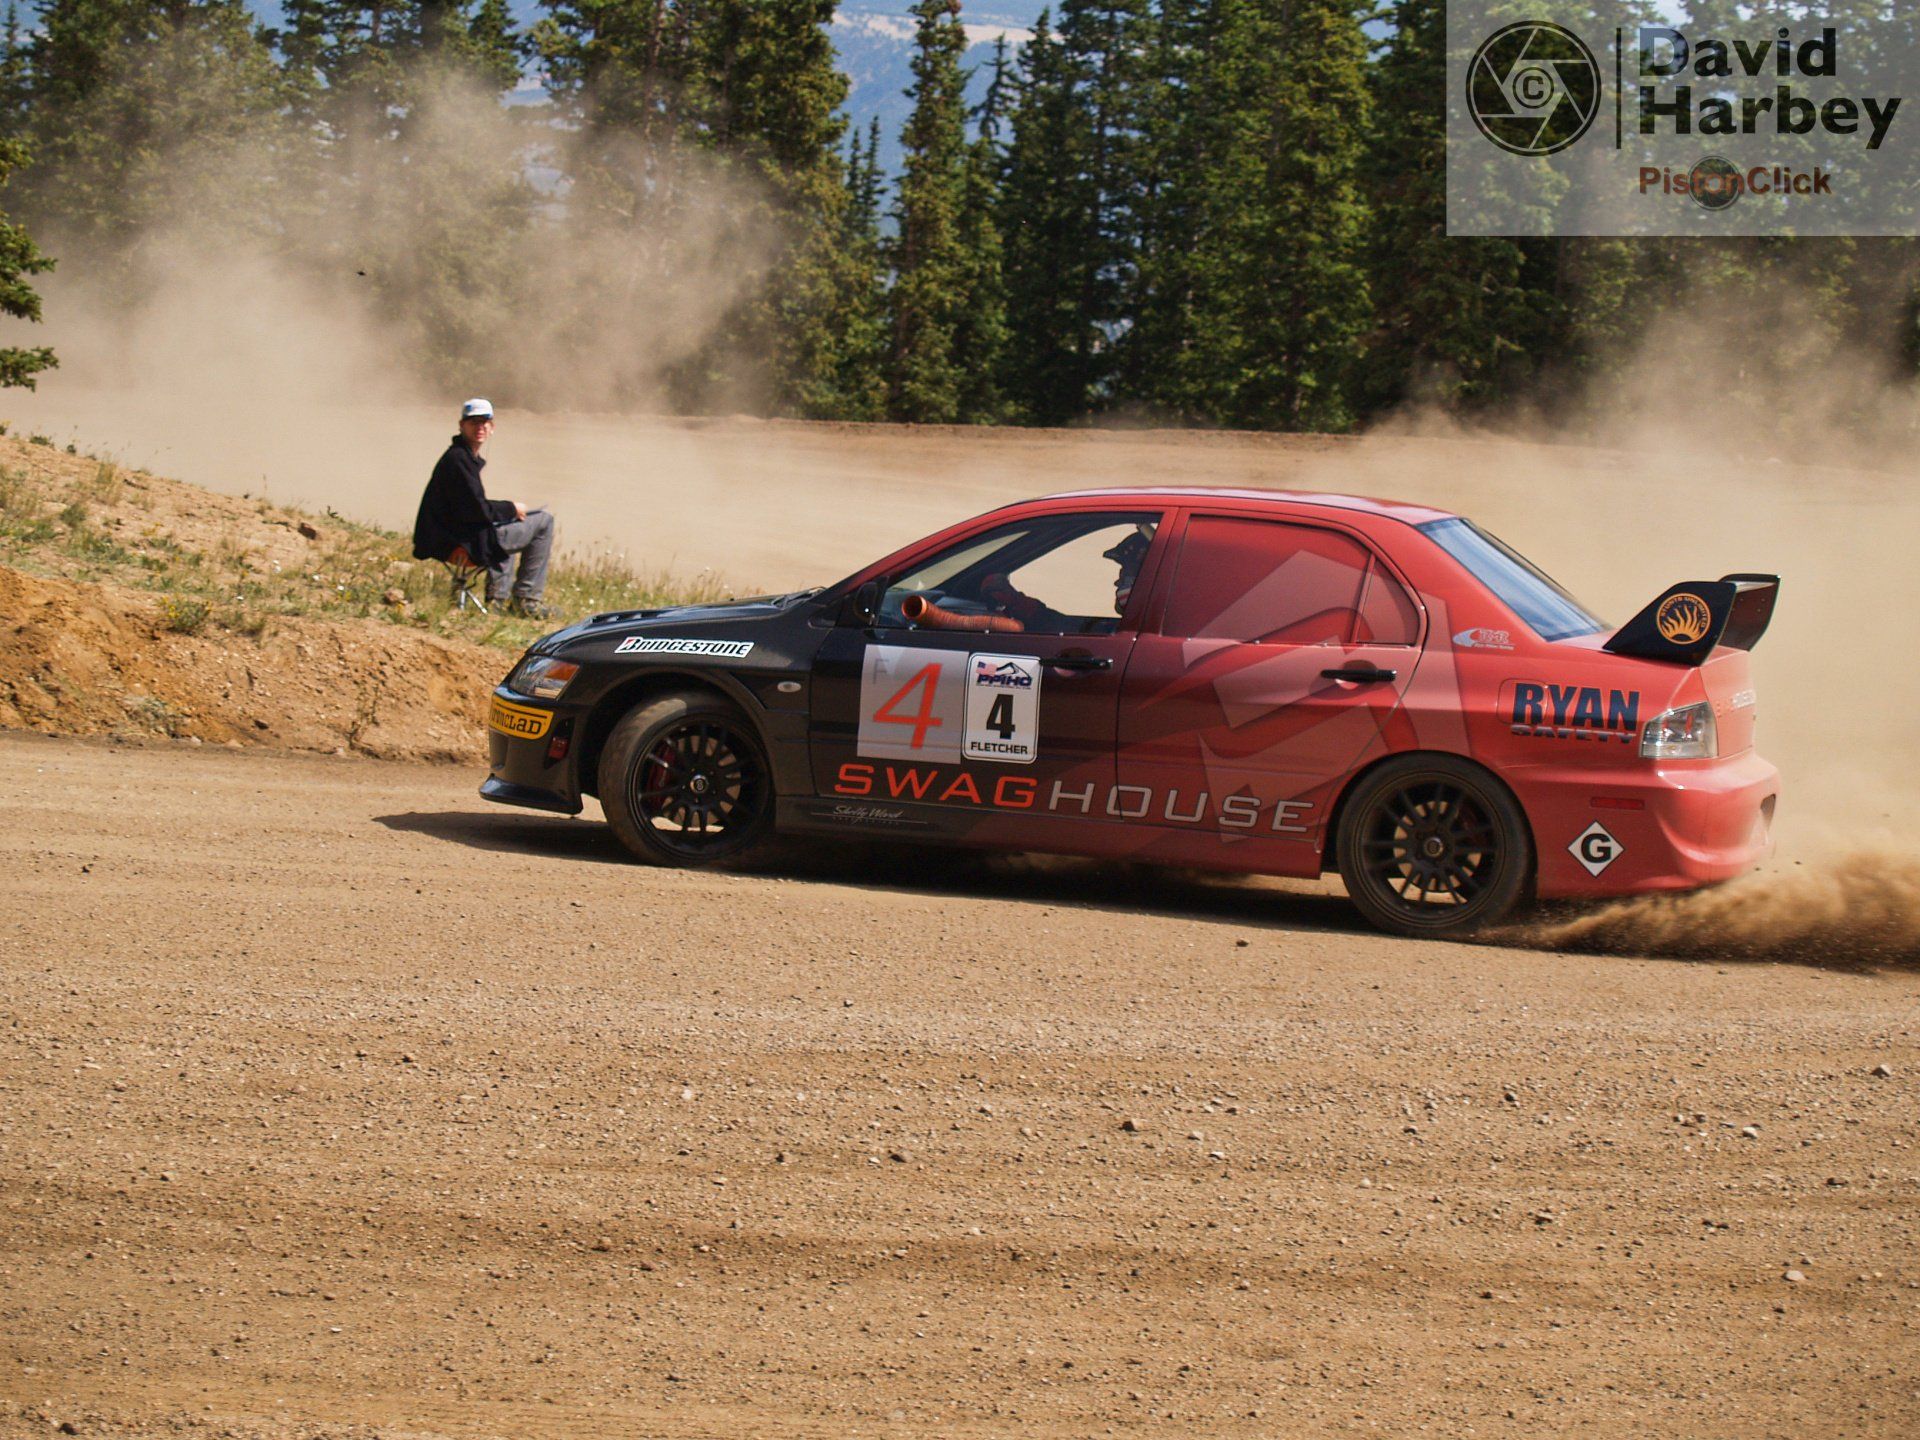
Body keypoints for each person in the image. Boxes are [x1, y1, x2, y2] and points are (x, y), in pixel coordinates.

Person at [412, 398, 558, 618]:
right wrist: (511, 508)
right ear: (462, 425)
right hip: (457, 543)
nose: (480, 427)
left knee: (506, 524)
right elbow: (476, 510)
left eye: (484, 422)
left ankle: (498, 601)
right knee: (544, 521)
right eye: (473, 422)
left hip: (451, 537)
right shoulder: (459, 460)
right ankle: (527, 601)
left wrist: (508, 511)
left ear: (492, 427)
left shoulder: (460, 457)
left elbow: (473, 507)